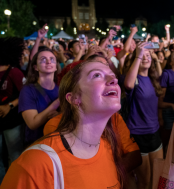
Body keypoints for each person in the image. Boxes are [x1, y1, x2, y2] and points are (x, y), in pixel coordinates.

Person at [1, 59, 128, 188]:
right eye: (97, 75)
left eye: (113, 76)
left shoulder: (108, 148)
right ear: (74, 98)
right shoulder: (35, 164)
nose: (114, 80)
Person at [123, 42, 163, 189]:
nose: (146, 58)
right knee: (144, 181)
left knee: (157, 178)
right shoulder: (134, 79)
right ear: (136, 59)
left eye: (148, 56)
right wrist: (138, 55)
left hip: (154, 132)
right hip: (137, 134)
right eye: (142, 56)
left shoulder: (153, 79)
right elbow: (128, 85)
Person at [18, 47, 60, 146]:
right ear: (35, 67)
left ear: (56, 66)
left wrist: (58, 115)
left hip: (56, 142)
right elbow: (32, 124)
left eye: (52, 59)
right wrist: (57, 103)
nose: (49, 62)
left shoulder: (61, 89)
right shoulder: (28, 90)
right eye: (43, 59)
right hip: (37, 144)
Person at [0, 37, 25, 184]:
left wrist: (8, 106)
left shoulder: (14, 72)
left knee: (15, 155)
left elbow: (25, 94)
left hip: (12, 122)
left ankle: (17, 184)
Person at [158, 51, 174, 154]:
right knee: (167, 141)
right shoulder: (166, 74)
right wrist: (160, 117)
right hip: (168, 112)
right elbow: (160, 99)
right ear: (171, 63)